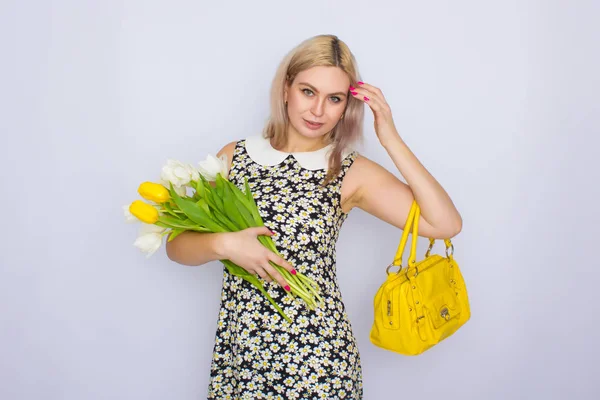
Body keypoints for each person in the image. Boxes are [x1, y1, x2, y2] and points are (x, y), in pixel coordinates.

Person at [166, 34, 462, 399]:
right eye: (308, 91)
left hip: (317, 361)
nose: (318, 110)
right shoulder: (234, 155)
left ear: (345, 105)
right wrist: (225, 244)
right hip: (241, 357)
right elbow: (176, 246)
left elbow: (446, 224)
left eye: (334, 98)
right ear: (287, 87)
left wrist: (390, 138)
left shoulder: (349, 170)